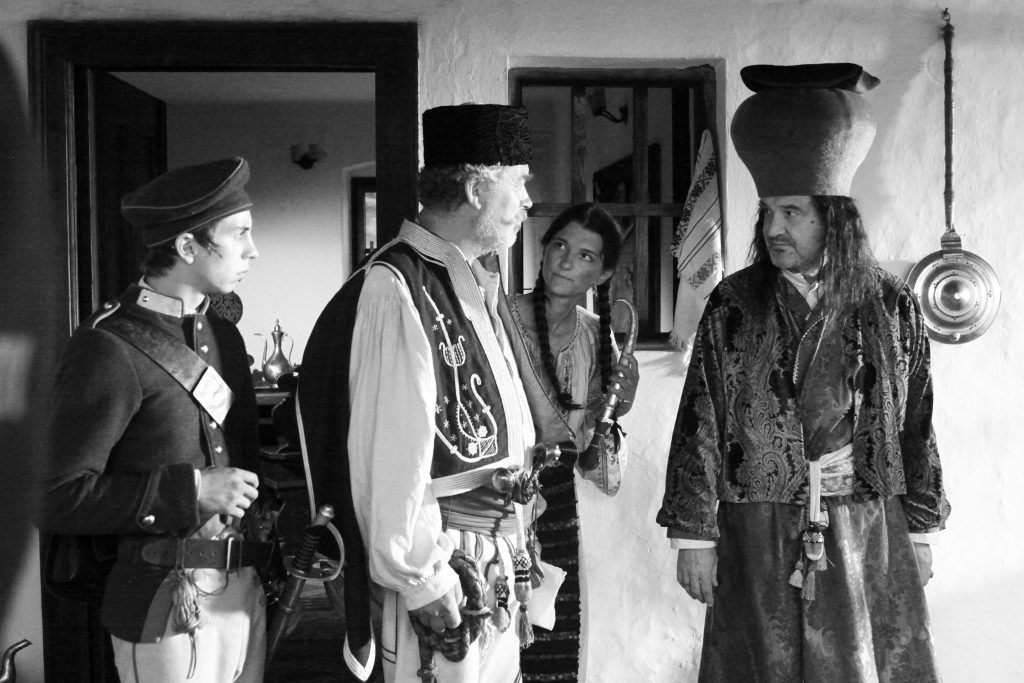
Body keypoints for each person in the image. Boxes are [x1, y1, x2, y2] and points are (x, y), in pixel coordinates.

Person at [657, 63, 951, 682]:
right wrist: (694, 536)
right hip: (757, 526)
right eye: (767, 212)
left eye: (792, 213)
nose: (773, 229)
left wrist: (922, 527)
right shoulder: (735, 303)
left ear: (833, 218)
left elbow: (917, 421)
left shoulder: (889, 302)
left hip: (865, 522)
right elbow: (701, 419)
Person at [299, 103, 540, 683]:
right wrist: (422, 579)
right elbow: (390, 452)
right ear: (477, 189)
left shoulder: (466, 279)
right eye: (520, 183)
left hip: (492, 554)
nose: (528, 201)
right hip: (447, 562)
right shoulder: (396, 287)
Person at [40, 158, 272, 682]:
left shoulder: (224, 336)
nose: (252, 250)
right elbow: (54, 494)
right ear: (188, 247)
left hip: (242, 586)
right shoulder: (109, 346)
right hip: (162, 597)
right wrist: (190, 492)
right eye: (239, 234)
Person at [506, 202, 638, 682]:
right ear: (543, 251)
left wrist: (621, 403)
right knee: (494, 635)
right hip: (495, 500)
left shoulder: (595, 338)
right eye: (560, 245)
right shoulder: (498, 320)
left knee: (552, 640)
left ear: (601, 275)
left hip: (557, 505)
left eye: (585, 256)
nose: (566, 261)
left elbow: (592, 451)